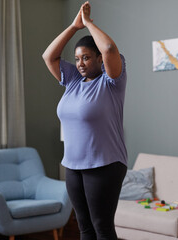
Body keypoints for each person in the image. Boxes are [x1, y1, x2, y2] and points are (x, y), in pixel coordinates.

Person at [42, 2, 127, 240]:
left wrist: (88, 23)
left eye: (87, 58)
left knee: (102, 227)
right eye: (78, 58)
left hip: (105, 164)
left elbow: (109, 48)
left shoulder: (112, 82)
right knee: (84, 228)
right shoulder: (72, 81)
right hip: (73, 165)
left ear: (100, 60)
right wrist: (73, 26)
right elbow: (48, 56)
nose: (80, 63)